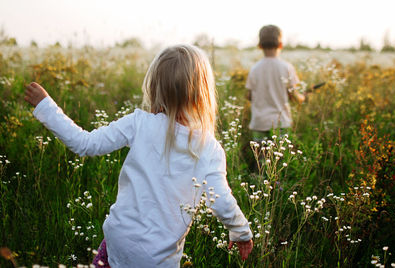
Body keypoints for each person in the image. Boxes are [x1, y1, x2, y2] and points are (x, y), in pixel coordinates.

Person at [24, 44, 253, 267]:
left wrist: (46, 107)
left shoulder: (139, 123)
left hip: (118, 243)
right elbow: (220, 200)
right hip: (158, 259)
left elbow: (85, 143)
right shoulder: (208, 147)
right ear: (201, 93)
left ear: (154, 87)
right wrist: (240, 231)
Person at [246, 25, 305, 142]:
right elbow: (293, 96)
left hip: (259, 122)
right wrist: (302, 98)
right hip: (280, 123)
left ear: (259, 46)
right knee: (280, 157)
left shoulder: (254, 69)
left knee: (262, 157)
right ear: (281, 45)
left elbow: (249, 96)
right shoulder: (287, 67)